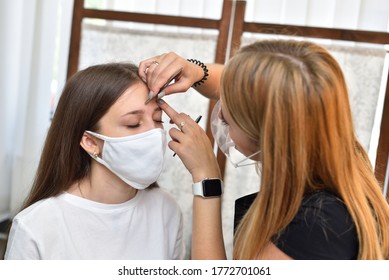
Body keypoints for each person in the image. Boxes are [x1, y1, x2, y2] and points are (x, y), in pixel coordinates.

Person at [138, 39, 389, 260]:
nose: (220, 113)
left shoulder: (317, 227)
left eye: (228, 114)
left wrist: (206, 178)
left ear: (267, 136)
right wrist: (197, 71)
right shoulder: (329, 144)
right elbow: (250, 88)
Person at [5, 63, 184, 260]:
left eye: (158, 120)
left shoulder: (166, 210)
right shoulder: (35, 227)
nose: (153, 133)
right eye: (133, 124)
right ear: (90, 141)